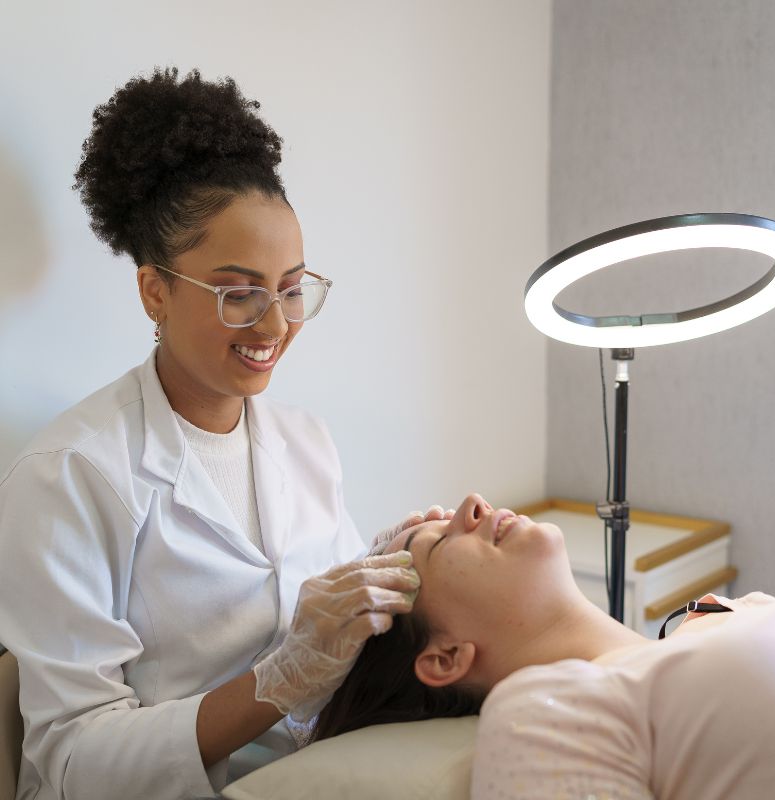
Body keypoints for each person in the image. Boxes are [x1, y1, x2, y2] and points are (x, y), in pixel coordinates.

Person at [0, 67, 447, 800]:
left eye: (291, 289)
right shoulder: (70, 475)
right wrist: (275, 683)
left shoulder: (305, 444)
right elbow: (73, 763)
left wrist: (386, 571)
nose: (273, 326)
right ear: (155, 290)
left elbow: (315, 633)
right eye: (239, 294)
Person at [313, 493, 775, 800]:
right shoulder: (547, 715)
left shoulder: (716, 612)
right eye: (438, 545)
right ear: (445, 657)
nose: (471, 505)